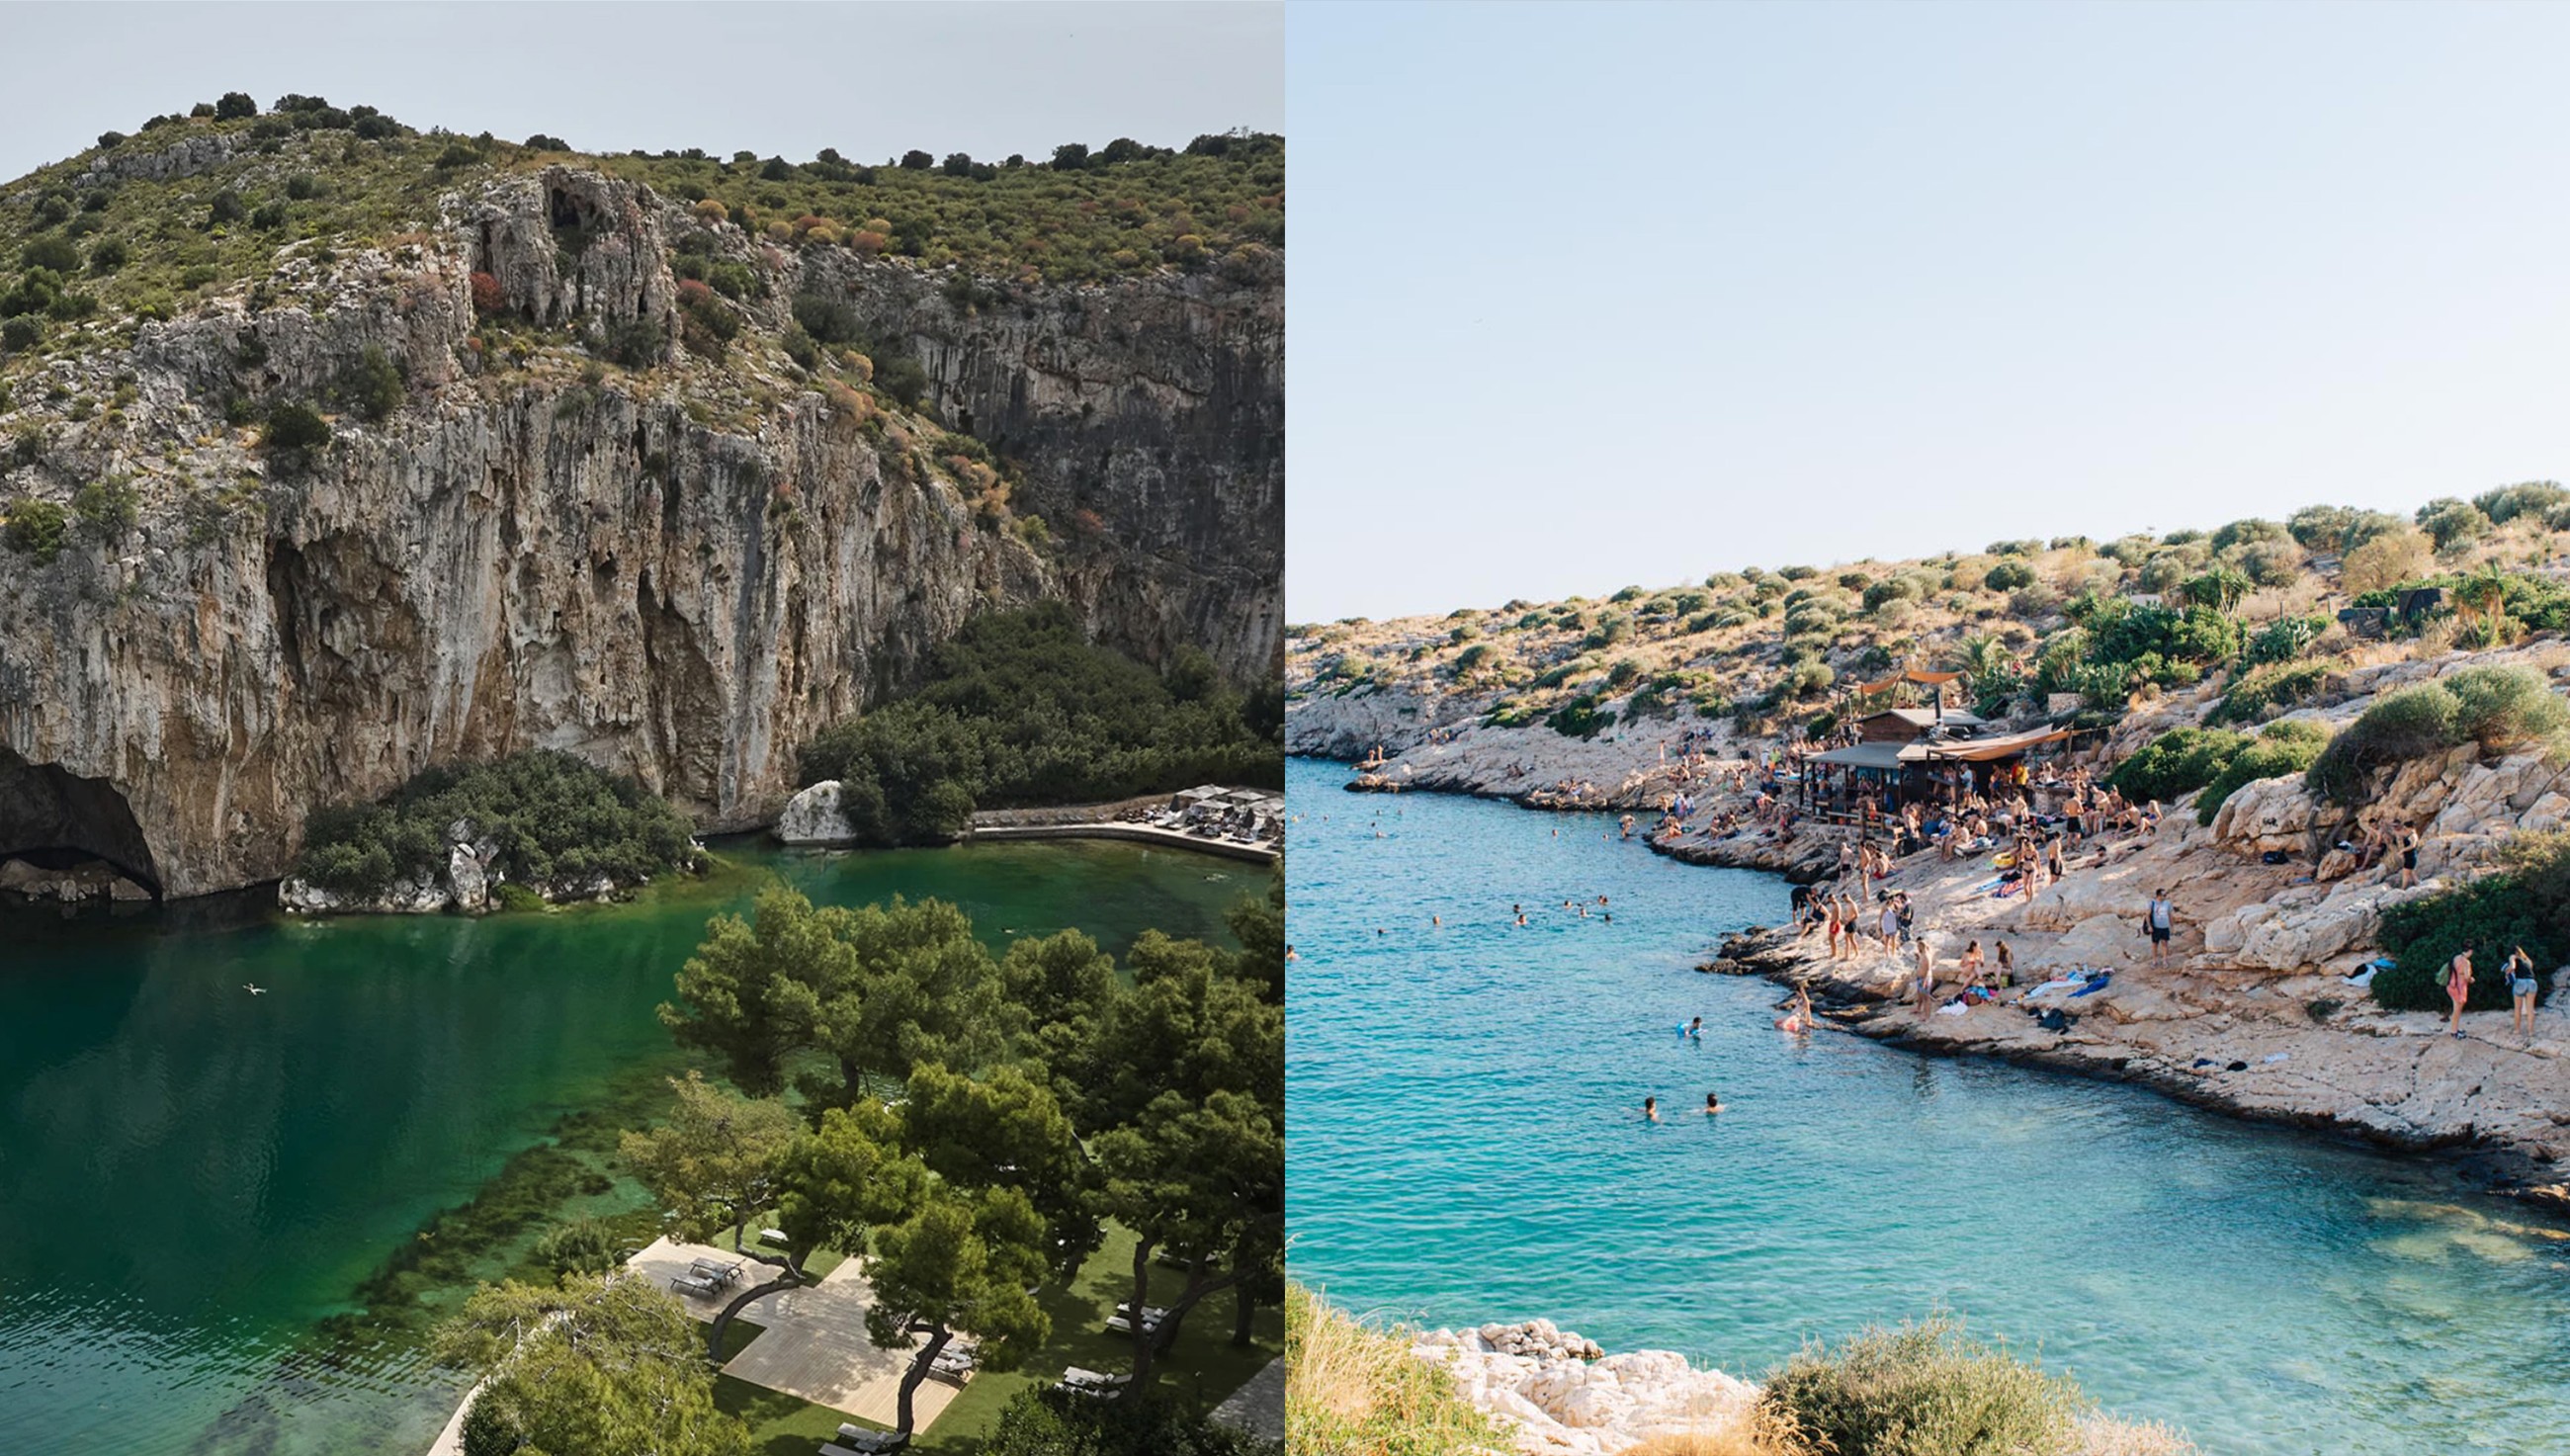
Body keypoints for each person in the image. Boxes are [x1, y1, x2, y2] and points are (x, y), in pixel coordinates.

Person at [2508, 945, 2538, 1037]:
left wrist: (2507, 971)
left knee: (2518, 1008)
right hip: (2532, 982)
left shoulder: (2513, 957)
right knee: (2530, 1009)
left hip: (2520, 982)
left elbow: (2512, 967)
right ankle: (2531, 1032)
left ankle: (2517, 1030)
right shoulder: (2527, 960)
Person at [2446, 944, 2474, 1039]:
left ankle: (2454, 1029)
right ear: (2470, 951)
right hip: (2460, 988)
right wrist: (2471, 979)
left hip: (2452, 985)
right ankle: (2454, 1032)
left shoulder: (2456, 958)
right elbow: (2467, 977)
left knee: (2456, 1010)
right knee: (2457, 1010)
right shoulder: (2466, 962)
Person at [2145, 889, 2176, 968]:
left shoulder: (2167, 903)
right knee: (2155, 944)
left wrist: (2172, 926)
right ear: (2158, 895)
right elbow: (2147, 915)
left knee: (2164, 943)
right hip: (2156, 927)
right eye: (2164, 895)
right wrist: (2149, 926)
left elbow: (2170, 915)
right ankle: (2154, 961)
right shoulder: (2152, 903)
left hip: (2165, 926)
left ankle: (2164, 960)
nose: (2165, 896)